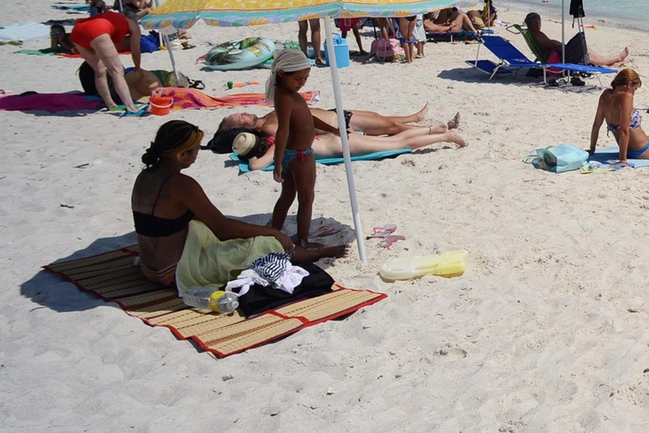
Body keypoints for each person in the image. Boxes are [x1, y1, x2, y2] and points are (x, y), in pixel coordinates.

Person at [133, 121, 343, 286]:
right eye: (196, 149)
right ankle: (316, 253)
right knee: (266, 244)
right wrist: (272, 232)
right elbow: (223, 228)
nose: (198, 154)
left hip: (148, 267)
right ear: (183, 154)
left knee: (203, 226)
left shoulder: (145, 176)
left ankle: (301, 249)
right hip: (173, 271)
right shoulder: (180, 184)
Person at [233, 124, 466, 171]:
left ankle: (446, 137)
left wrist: (250, 158)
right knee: (392, 141)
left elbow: (256, 166)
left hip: (344, 146)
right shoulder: (281, 135)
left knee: (400, 144)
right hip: (340, 139)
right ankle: (433, 130)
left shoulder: (276, 146)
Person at [265, 50, 319, 244]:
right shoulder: (287, 97)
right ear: (282, 74)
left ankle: (273, 234)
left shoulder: (286, 94)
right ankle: (303, 241)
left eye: (305, 79)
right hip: (300, 155)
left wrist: (335, 129)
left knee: (287, 196)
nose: (302, 83)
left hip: (291, 154)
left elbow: (308, 119)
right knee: (306, 199)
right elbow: (283, 130)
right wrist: (277, 162)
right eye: (298, 79)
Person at [219, 104, 456, 138]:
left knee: (380, 119)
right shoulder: (270, 126)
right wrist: (334, 132)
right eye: (240, 118)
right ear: (240, 128)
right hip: (340, 123)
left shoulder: (267, 115)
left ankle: (414, 117)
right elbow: (305, 132)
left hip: (336, 114)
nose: (245, 113)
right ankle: (433, 129)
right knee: (390, 128)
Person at [71, 9, 142, 112]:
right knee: (117, 71)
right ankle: (131, 107)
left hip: (77, 31)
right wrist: (137, 67)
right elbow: (136, 52)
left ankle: (110, 104)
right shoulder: (133, 24)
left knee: (99, 71)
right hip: (97, 30)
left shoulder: (112, 17)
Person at [521, 12, 628, 67]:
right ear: (536, 23)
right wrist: (567, 47)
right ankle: (617, 58)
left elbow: (550, 45)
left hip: (556, 55)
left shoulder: (532, 34)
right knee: (585, 53)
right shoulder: (538, 35)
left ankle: (610, 62)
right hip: (560, 57)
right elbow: (553, 45)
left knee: (584, 48)